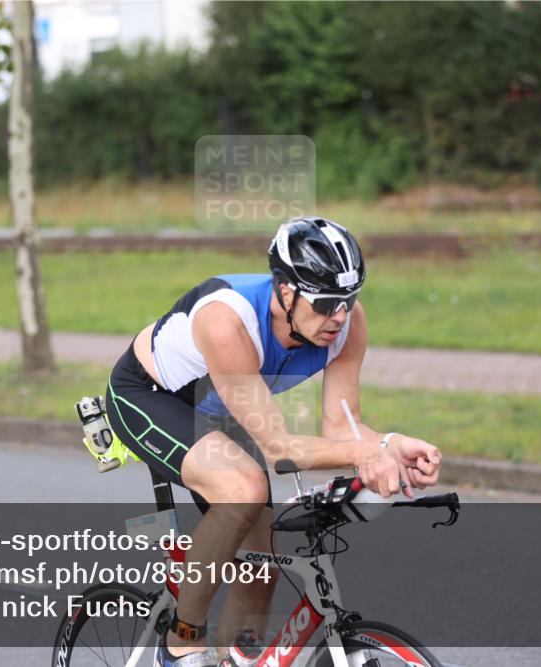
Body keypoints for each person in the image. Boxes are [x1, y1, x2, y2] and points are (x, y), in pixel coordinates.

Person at [104, 217, 443, 667]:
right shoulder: (227, 319)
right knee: (243, 490)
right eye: (324, 303)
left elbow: (344, 429)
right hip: (148, 395)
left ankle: (234, 661)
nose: (339, 315)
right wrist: (366, 454)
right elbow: (280, 449)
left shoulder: (346, 323)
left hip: (220, 406)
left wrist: (392, 443)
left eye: (348, 299)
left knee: (260, 564)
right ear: (286, 291)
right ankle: (180, 642)